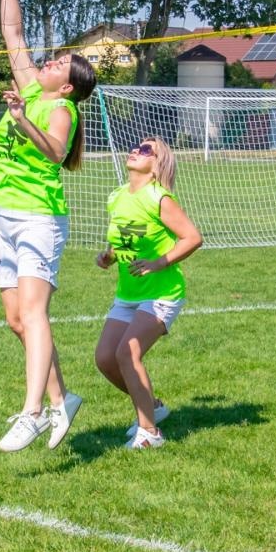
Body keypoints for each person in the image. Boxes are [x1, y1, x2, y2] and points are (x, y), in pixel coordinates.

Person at [0, 0, 98, 452]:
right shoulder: (31, 86)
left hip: (39, 218)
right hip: (6, 215)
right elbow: (11, 29)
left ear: (69, 85)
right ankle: (62, 399)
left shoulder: (62, 111)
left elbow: (55, 151)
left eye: (60, 63)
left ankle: (33, 412)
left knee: (34, 315)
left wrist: (19, 121)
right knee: (16, 320)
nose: (50, 61)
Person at [94, 137, 202, 450]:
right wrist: (109, 256)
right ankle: (152, 406)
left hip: (162, 292)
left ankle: (150, 433)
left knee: (127, 353)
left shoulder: (159, 197)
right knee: (105, 359)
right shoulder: (116, 196)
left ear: (156, 166)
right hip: (128, 292)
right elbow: (124, 238)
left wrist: (158, 263)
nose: (137, 151)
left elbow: (193, 238)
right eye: (137, 146)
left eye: (146, 150)